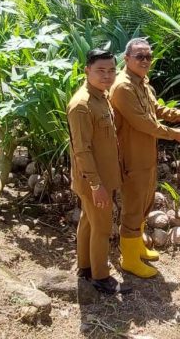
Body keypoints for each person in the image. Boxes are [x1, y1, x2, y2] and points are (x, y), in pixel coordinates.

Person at [110, 38, 180, 278]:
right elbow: (144, 123)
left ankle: (137, 247)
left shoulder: (143, 83)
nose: (145, 60)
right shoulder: (122, 87)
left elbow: (157, 110)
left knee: (145, 202)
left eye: (148, 56)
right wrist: (176, 135)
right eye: (140, 56)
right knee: (133, 206)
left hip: (146, 155)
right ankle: (128, 259)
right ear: (126, 58)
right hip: (131, 157)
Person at [67, 48, 129, 294]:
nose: (107, 75)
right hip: (94, 180)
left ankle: (85, 267)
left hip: (101, 177)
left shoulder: (100, 96)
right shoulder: (81, 105)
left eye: (112, 70)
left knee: (88, 222)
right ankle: (101, 277)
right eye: (100, 70)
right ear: (87, 71)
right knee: (101, 227)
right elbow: (81, 150)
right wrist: (96, 185)